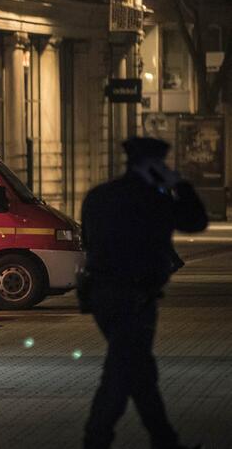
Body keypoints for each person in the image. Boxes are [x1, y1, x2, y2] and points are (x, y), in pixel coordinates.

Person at [80, 137, 207, 449]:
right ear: (152, 165)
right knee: (121, 374)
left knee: (137, 370)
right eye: (162, 164)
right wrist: (179, 184)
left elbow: (89, 242)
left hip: (101, 297)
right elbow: (196, 221)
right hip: (136, 298)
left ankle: (164, 440)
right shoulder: (154, 199)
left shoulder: (99, 196)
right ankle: (96, 440)